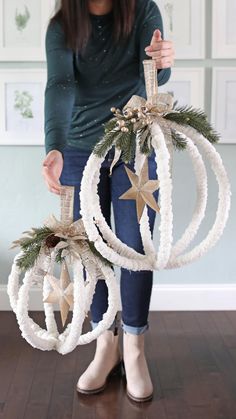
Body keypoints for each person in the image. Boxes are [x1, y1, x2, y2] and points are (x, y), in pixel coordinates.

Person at [42, 0, 175, 403]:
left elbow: (154, 71)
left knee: (136, 246)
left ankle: (134, 348)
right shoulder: (62, 25)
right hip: (80, 148)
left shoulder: (142, 10)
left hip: (134, 142)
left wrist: (163, 60)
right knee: (91, 250)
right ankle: (105, 343)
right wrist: (55, 147)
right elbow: (61, 85)